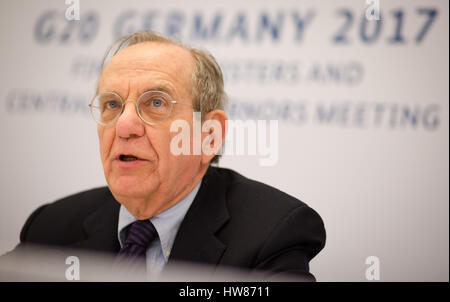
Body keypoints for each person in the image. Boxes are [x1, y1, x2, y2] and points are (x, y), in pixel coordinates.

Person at [3, 31, 326, 281]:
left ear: (208, 134)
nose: (124, 126)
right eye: (112, 105)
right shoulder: (52, 227)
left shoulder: (271, 234)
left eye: (156, 103)